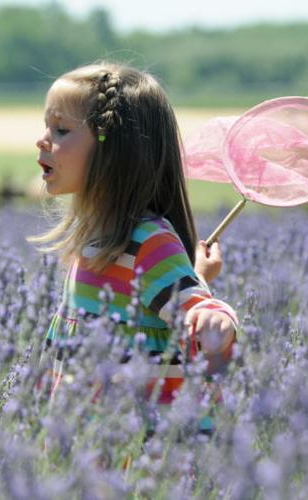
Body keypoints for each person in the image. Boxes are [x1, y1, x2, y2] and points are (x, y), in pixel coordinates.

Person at [29, 62, 238, 440]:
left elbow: (194, 308)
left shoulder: (147, 241)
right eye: (47, 126)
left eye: (60, 130)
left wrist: (215, 318)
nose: (43, 140)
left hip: (139, 453)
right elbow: (169, 294)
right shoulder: (96, 235)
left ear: (114, 153)